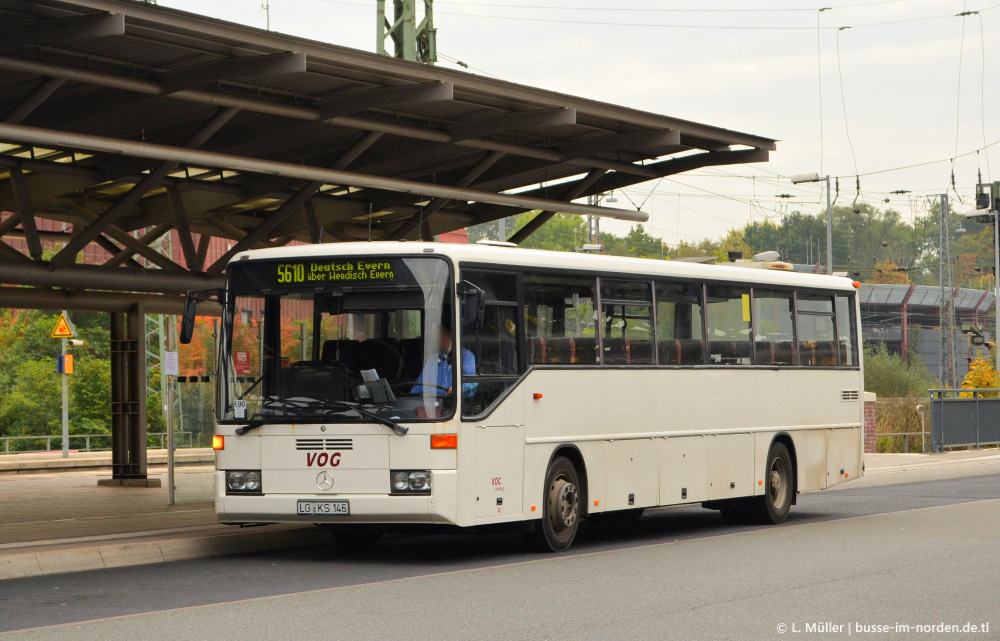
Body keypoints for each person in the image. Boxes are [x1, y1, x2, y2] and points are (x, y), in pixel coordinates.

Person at [411, 325, 476, 397]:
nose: (436, 341)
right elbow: (420, 384)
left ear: (449, 337)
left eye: (439, 337)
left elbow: (472, 380)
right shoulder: (434, 358)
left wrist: (458, 389)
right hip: (433, 402)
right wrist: (411, 399)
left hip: (455, 402)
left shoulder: (466, 356)